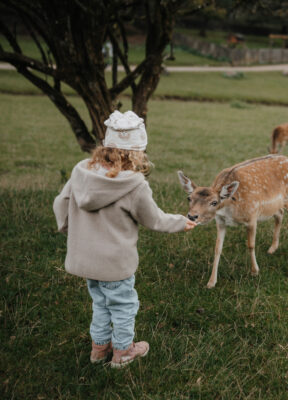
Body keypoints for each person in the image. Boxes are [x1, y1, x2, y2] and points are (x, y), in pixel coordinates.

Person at [53, 110, 197, 368]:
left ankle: (99, 349)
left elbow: (61, 203)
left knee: (100, 302)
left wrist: (68, 229)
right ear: (137, 152)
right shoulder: (134, 184)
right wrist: (180, 223)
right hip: (115, 264)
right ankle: (123, 352)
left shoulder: (81, 171)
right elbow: (152, 219)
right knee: (123, 307)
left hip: (86, 259)